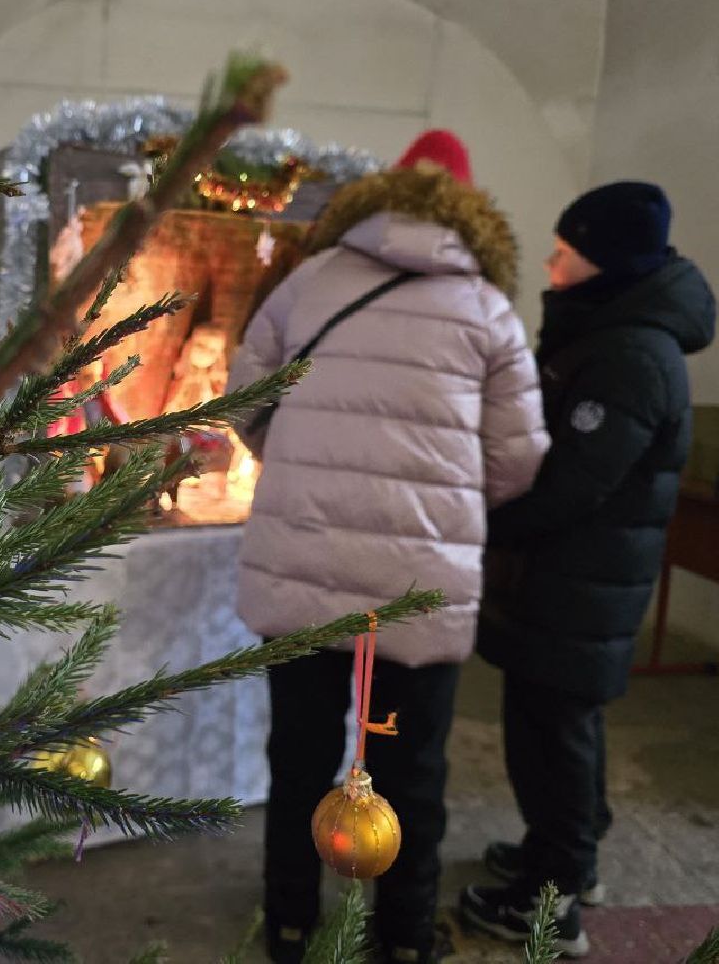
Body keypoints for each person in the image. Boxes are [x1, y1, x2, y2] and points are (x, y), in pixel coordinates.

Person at [227, 129, 549, 964]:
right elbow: (519, 460)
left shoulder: (310, 280)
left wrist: (298, 467)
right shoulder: (487, 309)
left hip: (300, 566)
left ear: (383, 195)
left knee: (297, 759)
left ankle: (291, 926)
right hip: (418, 584)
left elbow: (243, 402)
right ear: (472, 210)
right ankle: (403, 937)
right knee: (412, 773)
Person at [459, 182, 717, 958]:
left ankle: (551, 902)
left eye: (565, 253)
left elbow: (571, 484)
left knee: (553, 734)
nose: (549, 264)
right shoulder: (613, 334)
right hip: (569, 578)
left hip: (579, 580)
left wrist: (480, 520)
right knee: (558, 726)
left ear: (604, 263)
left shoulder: (632, 353)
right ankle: (564, 859)